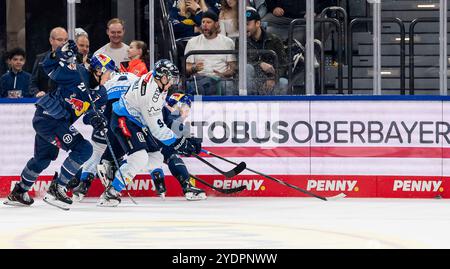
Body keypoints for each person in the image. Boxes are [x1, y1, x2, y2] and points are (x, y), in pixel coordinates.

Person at [3, 40, 108, 210]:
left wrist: (98, 120)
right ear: (98, 70)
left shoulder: (102, 94)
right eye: (108, 71)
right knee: (84, 149)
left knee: (43, 158)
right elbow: (49, 67)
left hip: (52, 122)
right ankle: (56, 189)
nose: (109, 75)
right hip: (49, 117)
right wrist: (58, 52)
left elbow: (90, 115)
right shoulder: (77, 73)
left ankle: (19, 192)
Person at [97, 59, 202, 207]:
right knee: (139, 157)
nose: (172, 82)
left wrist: (180, 141)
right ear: (163, 77)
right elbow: (158, 130)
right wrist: (180, 143)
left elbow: (159, 118)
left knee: (156, 155)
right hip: (124, 119)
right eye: (170, 79)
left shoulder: (156, 80)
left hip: (137, 120)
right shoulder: (150, 95)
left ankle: (158, 183)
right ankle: (111, 192)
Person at [71, 61, 140, 202]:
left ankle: (83, 185)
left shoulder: (105, 84)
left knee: (95, 155)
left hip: (104, 123)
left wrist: (92, 119)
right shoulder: (134, 79)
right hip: (123, 124)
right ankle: (112, 186)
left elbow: (90, 112)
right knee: (121, 155)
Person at [185, 10, 237, 95]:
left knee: (227, 85)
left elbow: (233, 69)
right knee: (194, 86)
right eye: (203, 22)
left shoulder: (228, 42)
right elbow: (187, 67)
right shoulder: (192, 42)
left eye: (208, 22)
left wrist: (222, 75)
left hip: (222, 80)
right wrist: (194, 68)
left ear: (216, 24)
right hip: (200, 80)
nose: (205, 25)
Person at [246, 8, 288, 95]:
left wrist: (273, 78)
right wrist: (259, 64)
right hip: (253, 79)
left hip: (271, 78)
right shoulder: (241, 41)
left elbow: (283, 65)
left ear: (257, 23)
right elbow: (241, 63)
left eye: (247, 24)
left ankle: (278, 107)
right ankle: (249, 101)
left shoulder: (274, 39)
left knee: (283, 82)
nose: (244, 28)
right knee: (247, 68)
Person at [29, 27, 68, 98]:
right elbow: (33, 83)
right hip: (45, 101)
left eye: (66, 40)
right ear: (51, 41)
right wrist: (37, 93)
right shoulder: (41, 59)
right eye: (60, 40)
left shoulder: (72, 60)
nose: (63, 43)